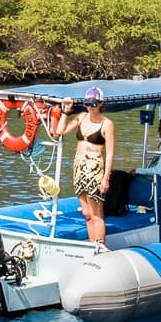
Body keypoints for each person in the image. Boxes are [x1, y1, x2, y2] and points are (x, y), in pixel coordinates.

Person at [52, 87, 114, 247]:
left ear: (100, 103)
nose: (90, 107)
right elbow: (59, 131)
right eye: (87, 104)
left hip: (95, 170)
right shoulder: (81, 117)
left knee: (96, 214)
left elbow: (110, 153)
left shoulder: (107, 124)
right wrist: (66, 111)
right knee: (87, 214)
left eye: (93, 104)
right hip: (79, 168)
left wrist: (106, 178)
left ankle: (99, 247)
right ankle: (91, 245)